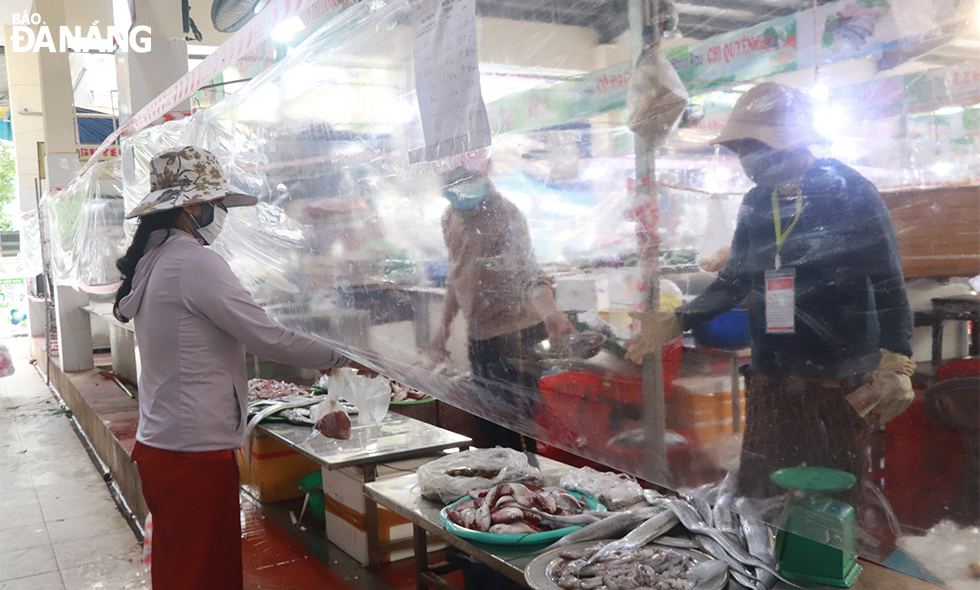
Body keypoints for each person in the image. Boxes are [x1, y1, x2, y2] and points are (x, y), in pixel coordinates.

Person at [625, 83, 914, 501]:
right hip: (770, 376)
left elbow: (887, 279)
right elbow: (736, 279)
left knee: (826, 496)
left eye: (754, 145)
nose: (747, 158)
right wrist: (678, 319)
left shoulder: (848, 192)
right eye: (740, 148)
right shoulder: (758, 202)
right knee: (761, 490)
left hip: (836, 379)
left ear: (792, 141)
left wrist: (898, 358)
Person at [114, 146, 373, 590]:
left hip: (163, 445)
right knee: (207, 575)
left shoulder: (155, 259)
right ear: (192, 207)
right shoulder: (193, 261)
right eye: (216, 206)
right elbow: (265, 335)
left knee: (179, 570)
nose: (220, 215)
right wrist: (341, 354)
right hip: (194, 452)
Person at [428, 154, 576, 453]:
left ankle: (529, 490)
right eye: (448, 183)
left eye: (463, 180)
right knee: (489, 425)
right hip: (480, 335)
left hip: (516, 336)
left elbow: (526, 273)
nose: (455, 189)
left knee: (521, 429)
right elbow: (455, 276)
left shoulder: (504, 215)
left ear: (481, 177)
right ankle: (501, 493)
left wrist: (552, 313)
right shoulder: (450, 216)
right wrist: (442, 330)